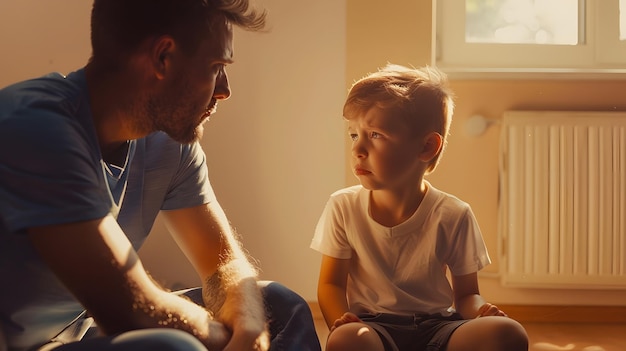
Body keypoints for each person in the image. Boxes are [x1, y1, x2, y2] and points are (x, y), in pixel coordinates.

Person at [0, 1, 321, 350]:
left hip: (83, 331)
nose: (224, 89)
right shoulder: (35, 126)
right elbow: (128, 309)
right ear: (163, 57)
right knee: (174, 346)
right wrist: (223, 339)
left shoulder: (168, 143)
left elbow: (223, 261)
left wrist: (250, 328)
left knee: (279, 305)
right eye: (216, 66)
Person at [310, 64, 529, 351]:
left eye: (375, 134)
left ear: (426, 147)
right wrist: (344, 321)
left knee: (508, 333)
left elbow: (466, 295)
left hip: (439, 328)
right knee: (346, 339)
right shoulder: (343, 206)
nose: (357, 148)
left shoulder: (454, 213)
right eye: (354, 135)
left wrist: (481, 310)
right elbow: (331, 286)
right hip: (373, 328)